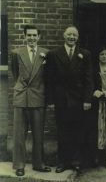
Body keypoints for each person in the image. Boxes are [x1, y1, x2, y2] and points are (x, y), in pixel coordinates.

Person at [46, 26, 93, 175]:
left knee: (78, 130)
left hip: (79, 99)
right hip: (61, 99)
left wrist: (87, 99)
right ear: (64, 36)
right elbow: (49, 80)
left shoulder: (85, 54)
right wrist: (51, 101)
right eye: (69, 35)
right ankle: (63, 162)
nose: (72, 37)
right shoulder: (54, 54)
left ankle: (76, 161)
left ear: (77, 37)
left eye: (74, 35)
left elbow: (89, 79)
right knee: (62, 131)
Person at [10, 25, 51, 176]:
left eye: (35, 36)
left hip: (38, 96)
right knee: (19, 134)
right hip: (21, 96)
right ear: (25, 36)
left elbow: (47, 76)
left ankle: (38, 163)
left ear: (39, 37)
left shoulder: (45, 53)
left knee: (38, 133)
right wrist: (21, 88)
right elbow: (15, 73)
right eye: (29, 35)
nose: (32, 38)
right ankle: (19, 165)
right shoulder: (16, 53)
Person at [92, 47, 106, 168]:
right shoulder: (93, 69)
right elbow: (89, 82)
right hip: (97, 103)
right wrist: (94, 91)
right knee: (97, 127)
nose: (104, 56)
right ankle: (96, 155)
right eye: (102, 54)